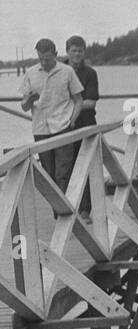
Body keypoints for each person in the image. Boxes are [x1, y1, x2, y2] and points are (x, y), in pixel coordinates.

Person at [19, 38, 82, 190]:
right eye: (41, 59)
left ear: (56, 54)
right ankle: (57, 213)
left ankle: (65, 213)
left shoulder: (67, 71)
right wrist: (29, 99)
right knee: (48, 175)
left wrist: (72, 121)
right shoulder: (31, 73)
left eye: (47, 59)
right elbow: (24, 107)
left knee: (63, 173)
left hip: (63, 127)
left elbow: (78, 100)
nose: (44, 63)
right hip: (41, 130)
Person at [66, 35, 99, 213]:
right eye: (74, 51)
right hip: (63, 126)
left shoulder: (90, 73)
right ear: (67, 51)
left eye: (80, 51)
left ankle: (85, 209)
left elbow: (91, 102)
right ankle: (68, 209)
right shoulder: (60, 71)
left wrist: (66, 104)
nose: (77, 54)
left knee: (85, 167)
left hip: (85, 124)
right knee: (65, 168)